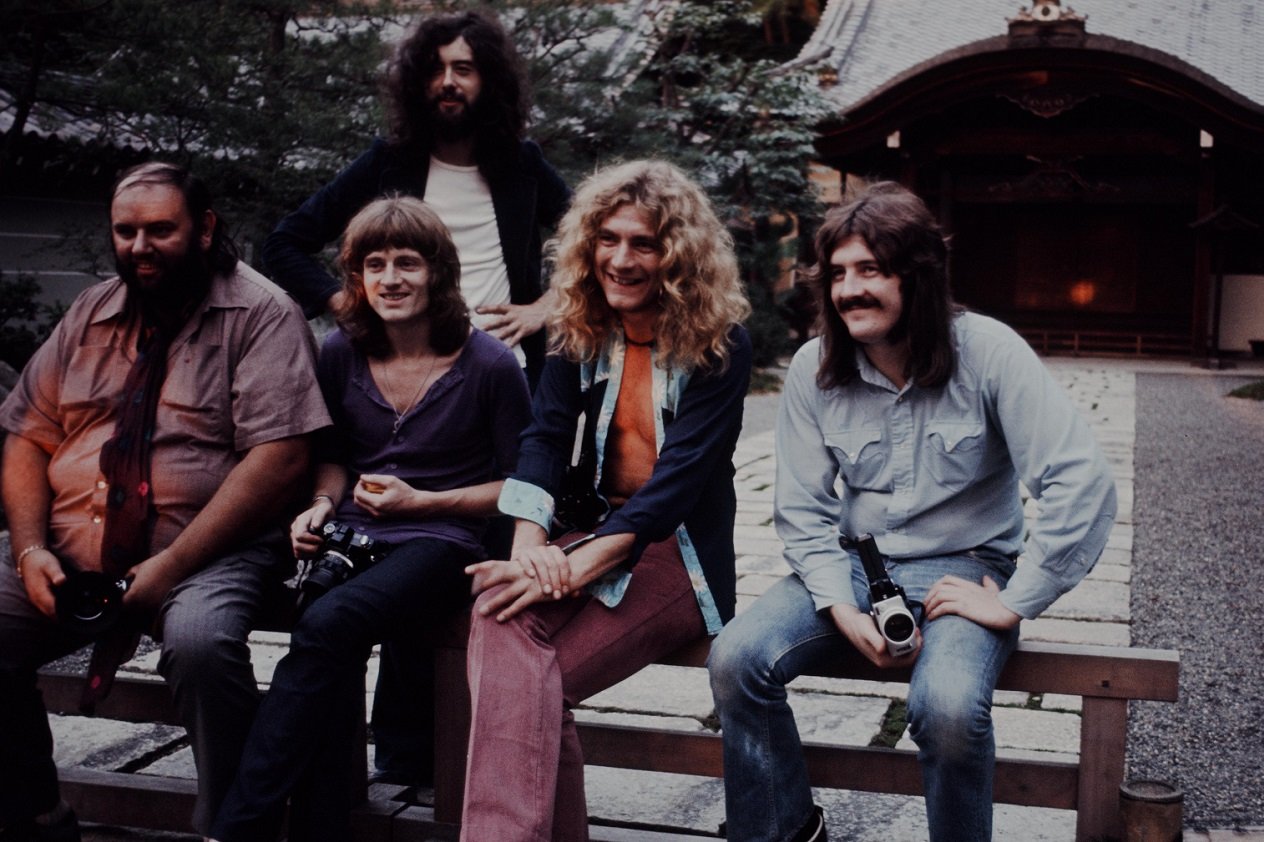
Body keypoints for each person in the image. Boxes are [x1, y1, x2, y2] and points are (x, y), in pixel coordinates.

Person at [707, 181, 1119, 842]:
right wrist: (842, 607)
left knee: (949, 708)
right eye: (838, 273)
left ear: (918, 275)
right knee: (736, 657)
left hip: (968, 567)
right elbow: (803, 512)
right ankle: (783, 830)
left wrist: (1016, 600)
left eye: (870, 270)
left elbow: (1080, 478)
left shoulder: (988, 352)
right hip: (856, 563)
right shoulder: (814, 367)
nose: (849, 290)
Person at [262, 8, 569, 781]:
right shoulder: (388, 162)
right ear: (415, 80)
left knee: (453, 575)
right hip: (401, 372)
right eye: (436, 68)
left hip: (496, 383)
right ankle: (395, 763)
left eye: (465, 68)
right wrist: (348, 306)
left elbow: (597, 244)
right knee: (391, 571)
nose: (449, 81)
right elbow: (286, 242)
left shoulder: (522, 164)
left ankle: (439, 756)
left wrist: (545, 308)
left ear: (489, 79)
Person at [0, 161, 330, 841]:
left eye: (160, 229)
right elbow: (27, 435)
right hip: (69, 543)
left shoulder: (262, 313)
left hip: (210, 549)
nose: (140, 247)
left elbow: (281, 459)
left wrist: (173, 565)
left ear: (204, 228)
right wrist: (30, 548)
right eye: (126, 231)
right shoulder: (90, 311)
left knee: (202, 645)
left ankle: (234, 829)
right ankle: (33, 814)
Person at [209, 195, 531, 842]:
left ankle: (239, 826)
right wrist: (320, 506)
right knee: (323, 641)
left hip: (443, 537)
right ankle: (321, 824)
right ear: (355, 277)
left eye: (407, 262)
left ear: (438, 271)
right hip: (356, 526)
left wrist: (425, 502)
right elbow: (332, 457)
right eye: (373, 264)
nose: (390, 279)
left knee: (328, 624)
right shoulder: (341, 354)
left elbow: (521, 485)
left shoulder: (490, 365)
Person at [457, 159, 752, 841]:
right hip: (587, 535)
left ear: (676, 255)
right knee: (500, 618)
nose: (621, 259)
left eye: (642, 243)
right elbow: (543, 436)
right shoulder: (576, 328)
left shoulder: (720, 346)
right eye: (608, 239)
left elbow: (676, 485)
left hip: (677, 557)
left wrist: (574, 566)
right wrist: (531, 550)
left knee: (529, 685)